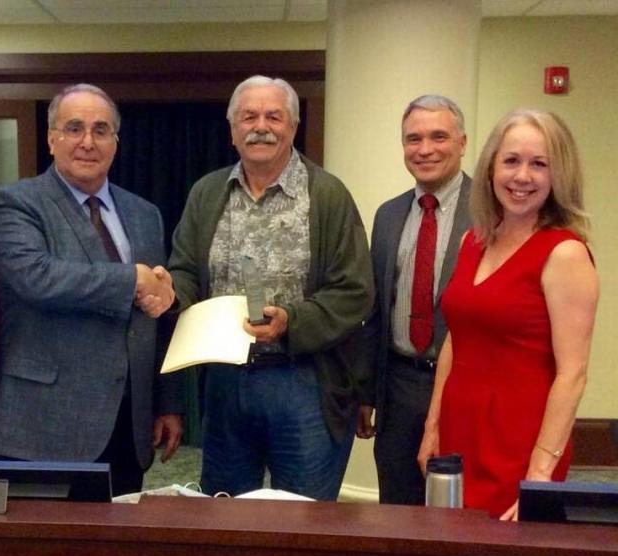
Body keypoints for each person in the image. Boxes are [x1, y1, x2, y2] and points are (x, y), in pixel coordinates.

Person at [168, 75, 374, 499]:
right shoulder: (207, 194)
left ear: (293, 127)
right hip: (225, 383)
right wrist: (168, 289)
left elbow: (354, 290)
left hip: (304, 382)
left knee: (303, 520)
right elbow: (186, 271)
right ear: (232, 130)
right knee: (224, 515)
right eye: (248, 116)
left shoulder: (328, 195)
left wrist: (291, 321)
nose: (260, 126)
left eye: (273, 116)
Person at [0, 83, 183, 496]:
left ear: (116, 142)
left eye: (101, 130)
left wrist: (165, 402)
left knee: (119, 551)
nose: (87, 142)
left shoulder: (145, 215)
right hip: (45, 426)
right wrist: (133, 279)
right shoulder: (15, 203)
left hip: (128, 424)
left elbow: (155, 319)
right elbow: (37, 277)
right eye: (74, 128)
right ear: (52, 138)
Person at [417, 109, 598, 520]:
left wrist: (539, 474)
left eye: (539, 164)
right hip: (459, 431)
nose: (522, 177)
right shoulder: (473, 240)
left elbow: (573, 374)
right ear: (491, 168)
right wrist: (433, 427)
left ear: (559, 176)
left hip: (520, 442)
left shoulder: (565, 253)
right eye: (512, 161)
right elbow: (455, 338)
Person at [357, 95, 472, 505]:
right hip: (398, 386)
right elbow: (374, 314)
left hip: (465, 386)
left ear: (462, 142)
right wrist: (366, 392)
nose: (425, 149)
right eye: (413, 138)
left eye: (438, 136)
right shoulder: (388, 216)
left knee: (462, 510)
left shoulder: (490, 212)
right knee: (399, 508)